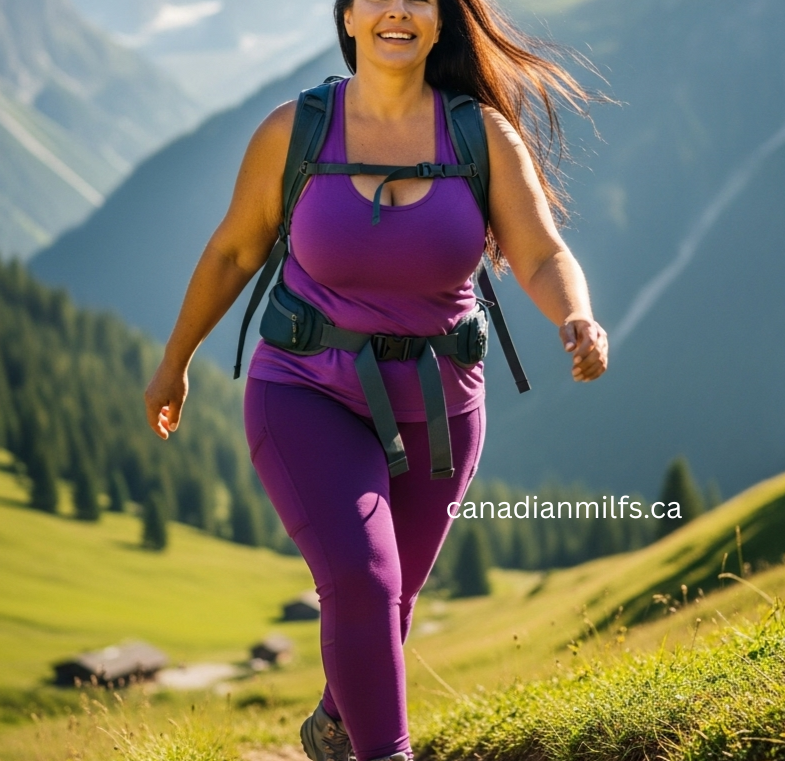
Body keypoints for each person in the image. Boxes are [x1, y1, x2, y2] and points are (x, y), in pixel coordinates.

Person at [144, 1, 609, 760]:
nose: (398, 8)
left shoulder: (478, 135)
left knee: (390, 599)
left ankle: (335, 720)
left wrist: (576, 317)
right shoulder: (293, 131)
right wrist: (174, 362)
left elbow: (540, 252)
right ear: (350, 16)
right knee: (363, 580)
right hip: (303, 387)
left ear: (437, 20)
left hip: (441, 404)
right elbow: (233, 252)